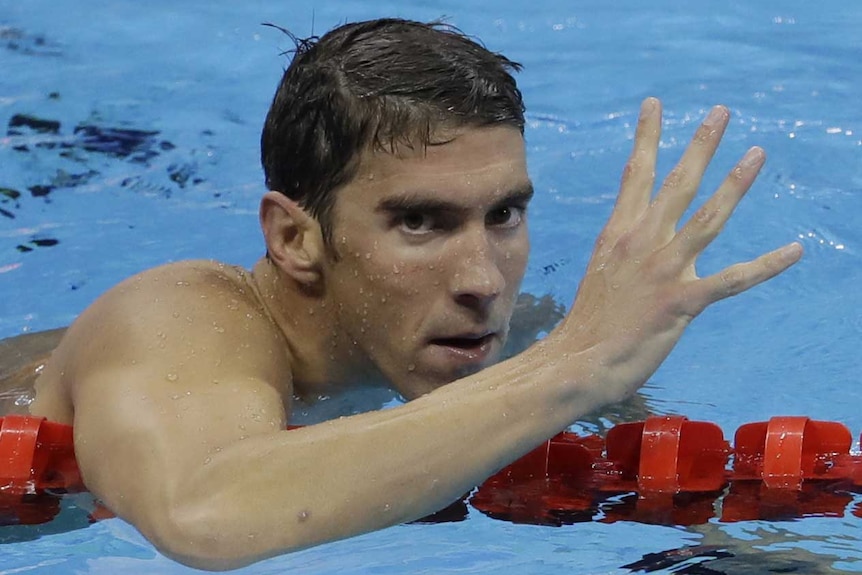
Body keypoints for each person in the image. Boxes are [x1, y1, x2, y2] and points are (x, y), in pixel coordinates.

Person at [1, 18, 801, 571]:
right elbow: (201, 515)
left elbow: (666, 508)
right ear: (293, 238)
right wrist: (575, 366)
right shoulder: (174, 318)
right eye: (421, 222)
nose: (484, 280)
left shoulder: (525, 338)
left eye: (506, 213)